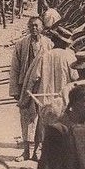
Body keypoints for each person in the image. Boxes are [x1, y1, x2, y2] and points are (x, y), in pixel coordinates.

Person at [20, 26, 78, 159]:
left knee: (43, 124)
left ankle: (39, 151)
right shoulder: (70, 57)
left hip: (45, 98)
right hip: (64, 99)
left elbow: (34, 77)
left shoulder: (44, 56)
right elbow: (75, 78)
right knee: (64, 125)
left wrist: (26, 97)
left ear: (55, 41)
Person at [9, 16, 53, 161]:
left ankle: (38, 151)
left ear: (42, 28)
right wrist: (15, 89)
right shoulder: (21, 44)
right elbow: (15, 68)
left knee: (42, 118)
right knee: (26, 119)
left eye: (37, 26)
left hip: (43, 86)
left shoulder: (49, 44)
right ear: (28, 27)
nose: (34, 29)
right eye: (32, 26)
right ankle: (26, 151)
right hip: (25, 86)